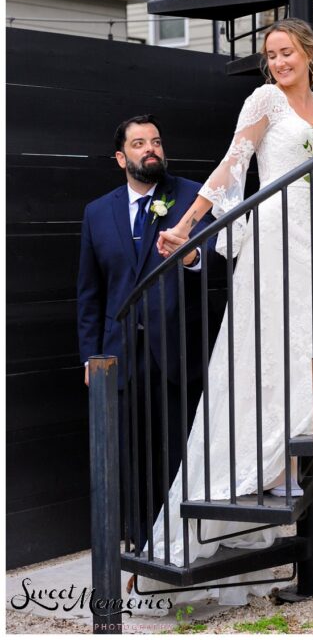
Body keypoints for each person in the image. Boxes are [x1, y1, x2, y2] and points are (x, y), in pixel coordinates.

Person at [139, 18, 313, 602]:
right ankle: (276, 461)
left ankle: (307, 435)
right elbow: (231, 167)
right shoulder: (263, 101)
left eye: (286, 53)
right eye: (270, 54)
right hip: (278, 240)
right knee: (274, 349)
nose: (278, 62)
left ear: (309, 53)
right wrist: (184, 227)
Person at [77, 115, 215, 545]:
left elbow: (217, 259)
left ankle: (179, 543)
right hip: (120, 355)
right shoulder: (97, 212)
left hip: (178, 351)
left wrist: (192, 259)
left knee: (178, 452)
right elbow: (90, 293)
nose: (150, 148)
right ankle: (140, 542)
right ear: (121, 157)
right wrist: (90, 356)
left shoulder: (192, 196)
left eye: (155, 141)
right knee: (130, 454)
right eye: (139, 143)